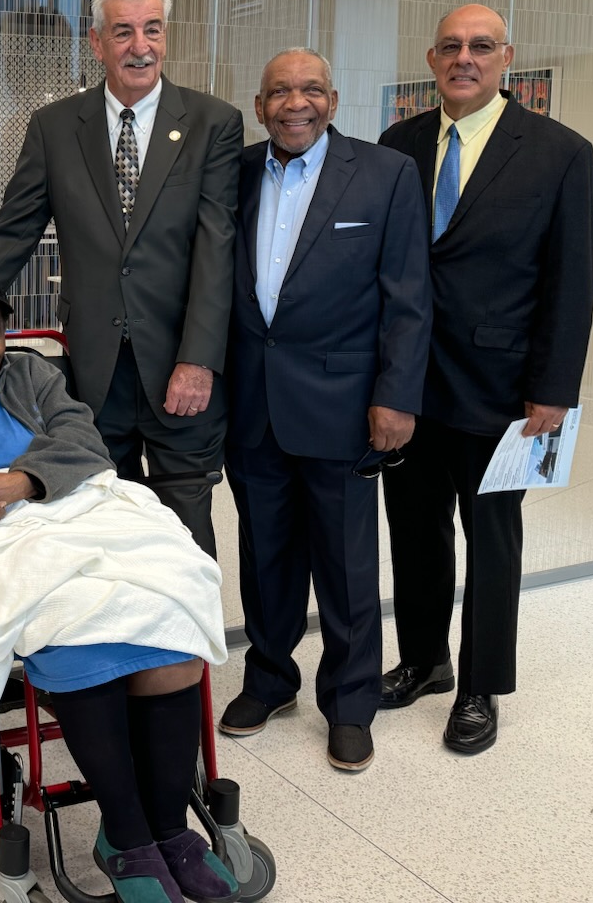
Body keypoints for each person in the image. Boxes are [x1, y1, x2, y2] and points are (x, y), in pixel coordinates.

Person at [0, 268, 238, 903]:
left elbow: (85, 444)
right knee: (68, 622)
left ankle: (170, 830)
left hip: (61, 512)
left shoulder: (34, 375)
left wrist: (24, 480)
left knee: (172, 617)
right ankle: (126, 837)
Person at [378, 5, 593, 754]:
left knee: (493, 539)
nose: (463, 58)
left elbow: (572, 279)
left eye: (480, 46)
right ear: (431, 59)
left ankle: (480, 685)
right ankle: (424, 660)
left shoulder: (560, 152)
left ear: (507, 57)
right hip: (409, 383)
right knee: (414, 528)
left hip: (502, 388)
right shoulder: (400, 144)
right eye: (450, 46)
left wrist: (554, 389)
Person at [0, 0, 244, 556]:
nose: (140, 46)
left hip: (180, 367)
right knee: (97, 519)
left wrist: (198, 360)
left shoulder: (213, 123)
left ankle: (184, 621)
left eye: (152, 29)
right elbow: (13, 232)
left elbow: (217, 249)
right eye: (123, 32)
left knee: (185, 529)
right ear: (97, 43)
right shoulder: (54, 128)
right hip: (94, 368)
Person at [219, 50, 431, 772]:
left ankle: (349, 703)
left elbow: (408, 296)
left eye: (311, 89)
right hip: (254, 403)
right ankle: (269, 680)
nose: (295, 103)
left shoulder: (384, 174)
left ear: (333, 102)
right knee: (265, 555)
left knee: (345, 565)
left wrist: (396, 396)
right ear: (259, 106)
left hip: (344, 405)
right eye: (280, 91)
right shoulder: (236, 172)